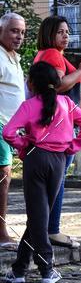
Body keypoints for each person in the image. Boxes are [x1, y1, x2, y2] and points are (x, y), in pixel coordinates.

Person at [3, 62, 81, 283]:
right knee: (40, 215)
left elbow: (8, 132)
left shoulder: (28, 105)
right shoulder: (67, 103)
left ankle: (46, 268)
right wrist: (72, 146)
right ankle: (19, 269)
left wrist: (24, 145)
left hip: (36, 158)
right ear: (55, 82)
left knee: (38, 216)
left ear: (31, 84)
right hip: (59, 160)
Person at [34, 16, 81, 247]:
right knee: (58, 179)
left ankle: (46, 229)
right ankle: (53, 229)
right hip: (62, 123)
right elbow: (58, 85)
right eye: (60, 31)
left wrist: (80, 70)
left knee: (55, 178)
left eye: (68, 32)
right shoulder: (52, 54)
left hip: (58, 122)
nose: (66, 36)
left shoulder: (47, 54)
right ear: (49, 33)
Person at [0, 13, 26, 250]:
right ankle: (1, 233)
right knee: (3, 177)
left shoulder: (14, 57)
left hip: (12, 128)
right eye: (14, 30)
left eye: (22, 32)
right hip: (0, 125)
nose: (19, 36)